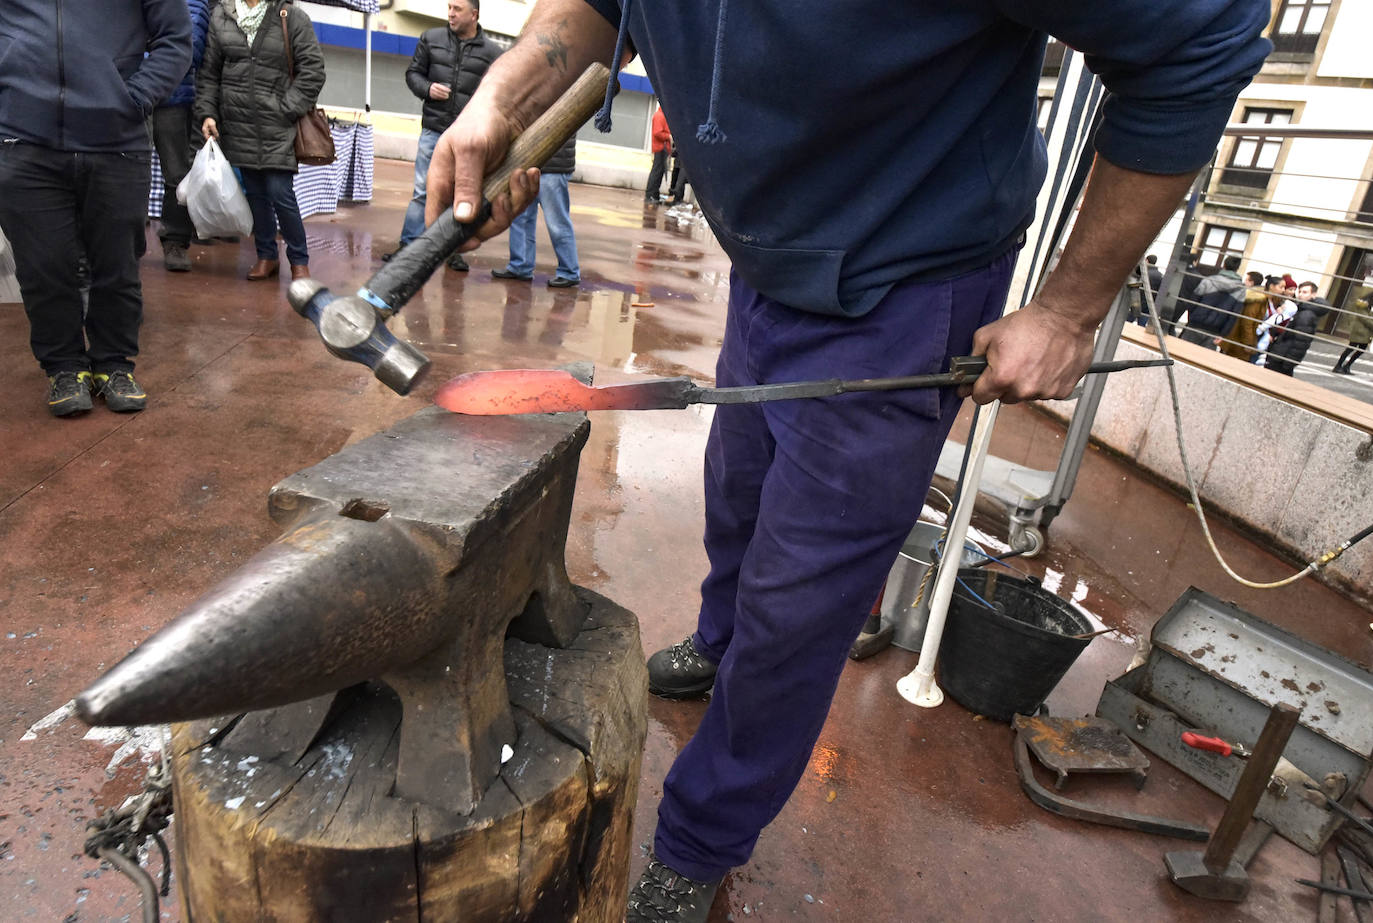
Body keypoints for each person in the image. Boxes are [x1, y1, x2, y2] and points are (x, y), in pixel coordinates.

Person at [420, 2, 1272, 919]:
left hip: (902, 284)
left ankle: (700, 838)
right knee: (736, 496)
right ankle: (717, 641)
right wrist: (500, 103)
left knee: (797, 604)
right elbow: (596, 8)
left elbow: (1201, 41)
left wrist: (1069, 308)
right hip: (767, 265)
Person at [0, 0, 191, 416]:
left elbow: (175, 38)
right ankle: (64, 366)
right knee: (43, 266)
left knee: (117, 263)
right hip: (23, 139)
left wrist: (134, 98)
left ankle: (113, 363)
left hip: (116, 141)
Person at [196, 0, 326, 282]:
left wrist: (286, 109)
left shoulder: (291, 16)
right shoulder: (221, 15)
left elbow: (313, 70)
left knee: (280, 192)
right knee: (255, 194)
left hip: (277, 123)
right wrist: (208, 113)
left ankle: (299, 261)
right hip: (237, 122)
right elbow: (209, 73)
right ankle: (266, 255)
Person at [386, 0, 501, 271]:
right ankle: (408, 249)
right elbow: (413, 74)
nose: (450, 13)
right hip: (434, 129)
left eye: (457, 9)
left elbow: (496, 94)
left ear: (474, 14)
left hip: (468, 138)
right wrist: (428, 88)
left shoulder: (492, 53)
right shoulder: (431, 38)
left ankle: (451, 251)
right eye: (449, 7)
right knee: (422, 191)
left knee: (459, 195)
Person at [154, 0, 215, 273]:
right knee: (125, 169)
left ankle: (175, 241)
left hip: (173, 98)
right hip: (131, 94)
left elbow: (191, 51)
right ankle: (124, 242)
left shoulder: (196, 5)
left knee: (177, 173)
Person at [492, 135, 581, 287]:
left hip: (552, 166)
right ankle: (520, 266)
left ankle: (569, 272)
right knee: (521, 217)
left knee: (556, 222)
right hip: (529, 162)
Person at [1267, 279, 1330, 376]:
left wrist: (1288, 363)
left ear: (1313, 295)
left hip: (1282, 357)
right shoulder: (1301, 309)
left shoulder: (1306, 314)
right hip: (1281, 354)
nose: (1300, 295)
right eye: (1299, 291)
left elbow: (1300, 343)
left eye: (1305, 292)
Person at [1180, 254, 1244, 348]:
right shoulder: (1240, 289)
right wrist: (1223, 334)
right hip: (1215, 331)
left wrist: (1191, 319)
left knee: (1183, 350)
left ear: (1224, 265)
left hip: (1195, 324)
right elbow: (1234, 316)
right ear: (1237, 268)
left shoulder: (1209, 280)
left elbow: (1193, 302)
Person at [1219, 270, 1268, 361]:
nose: (1244, 282)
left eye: (1246, 280)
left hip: (1238, 341)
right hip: (1236, 338)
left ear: (1251, 282)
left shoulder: (1254, 299)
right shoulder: (1251, 296)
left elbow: (1247, 321)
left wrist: (1248, 343)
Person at [1255, 274, 1296, 367]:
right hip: (1256, 337)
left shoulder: (1279, 302)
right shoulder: (1261, 299)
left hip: (1265, 340)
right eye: (1281, 287)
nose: (1283, 290)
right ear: (1271, 287)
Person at [1333, 291, 1373, 375]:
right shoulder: (1363, 304)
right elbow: (1364, 318)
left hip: (1367, 333)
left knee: (1361, 350)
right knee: (1350, 349)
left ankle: (1347, 366)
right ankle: (1338, 366)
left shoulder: (1371, 305)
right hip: (1359, 331)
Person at [645, 104, 673, 204]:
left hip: (662, 148)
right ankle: (651, 195)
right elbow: (657, 133)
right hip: (660, 148)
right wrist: (669, 136)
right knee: (657, 171)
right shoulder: (660, 116)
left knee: (659, 172)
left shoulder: (662, 115)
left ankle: (654, 195)